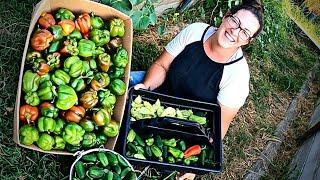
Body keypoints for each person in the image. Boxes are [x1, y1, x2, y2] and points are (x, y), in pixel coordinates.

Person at [130, 0, 263, 179]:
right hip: (159, 97)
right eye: (235, 22)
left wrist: (195, 167)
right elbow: (161, 65)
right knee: (127, 83)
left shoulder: (237, 76)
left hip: (185, 122)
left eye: (245, 32)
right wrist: (145, 88)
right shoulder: (195, 31)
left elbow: (219, 125)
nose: (235, 31)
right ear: (225, 17)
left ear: (248, 41)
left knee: (166, 162)